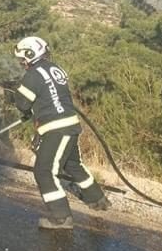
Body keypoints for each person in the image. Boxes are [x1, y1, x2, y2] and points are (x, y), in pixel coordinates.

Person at [13, 36, 110, 230]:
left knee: (44, 171)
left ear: (31, 55)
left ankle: (61, 217)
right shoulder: (54, 68)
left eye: (23, 58)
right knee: (72, 164)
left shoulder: (33, 74)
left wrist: (25, 109)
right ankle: (97, 200)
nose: (22, 63)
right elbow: (52, 95)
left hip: (56, 128)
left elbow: (22, 103)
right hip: (70, 124)